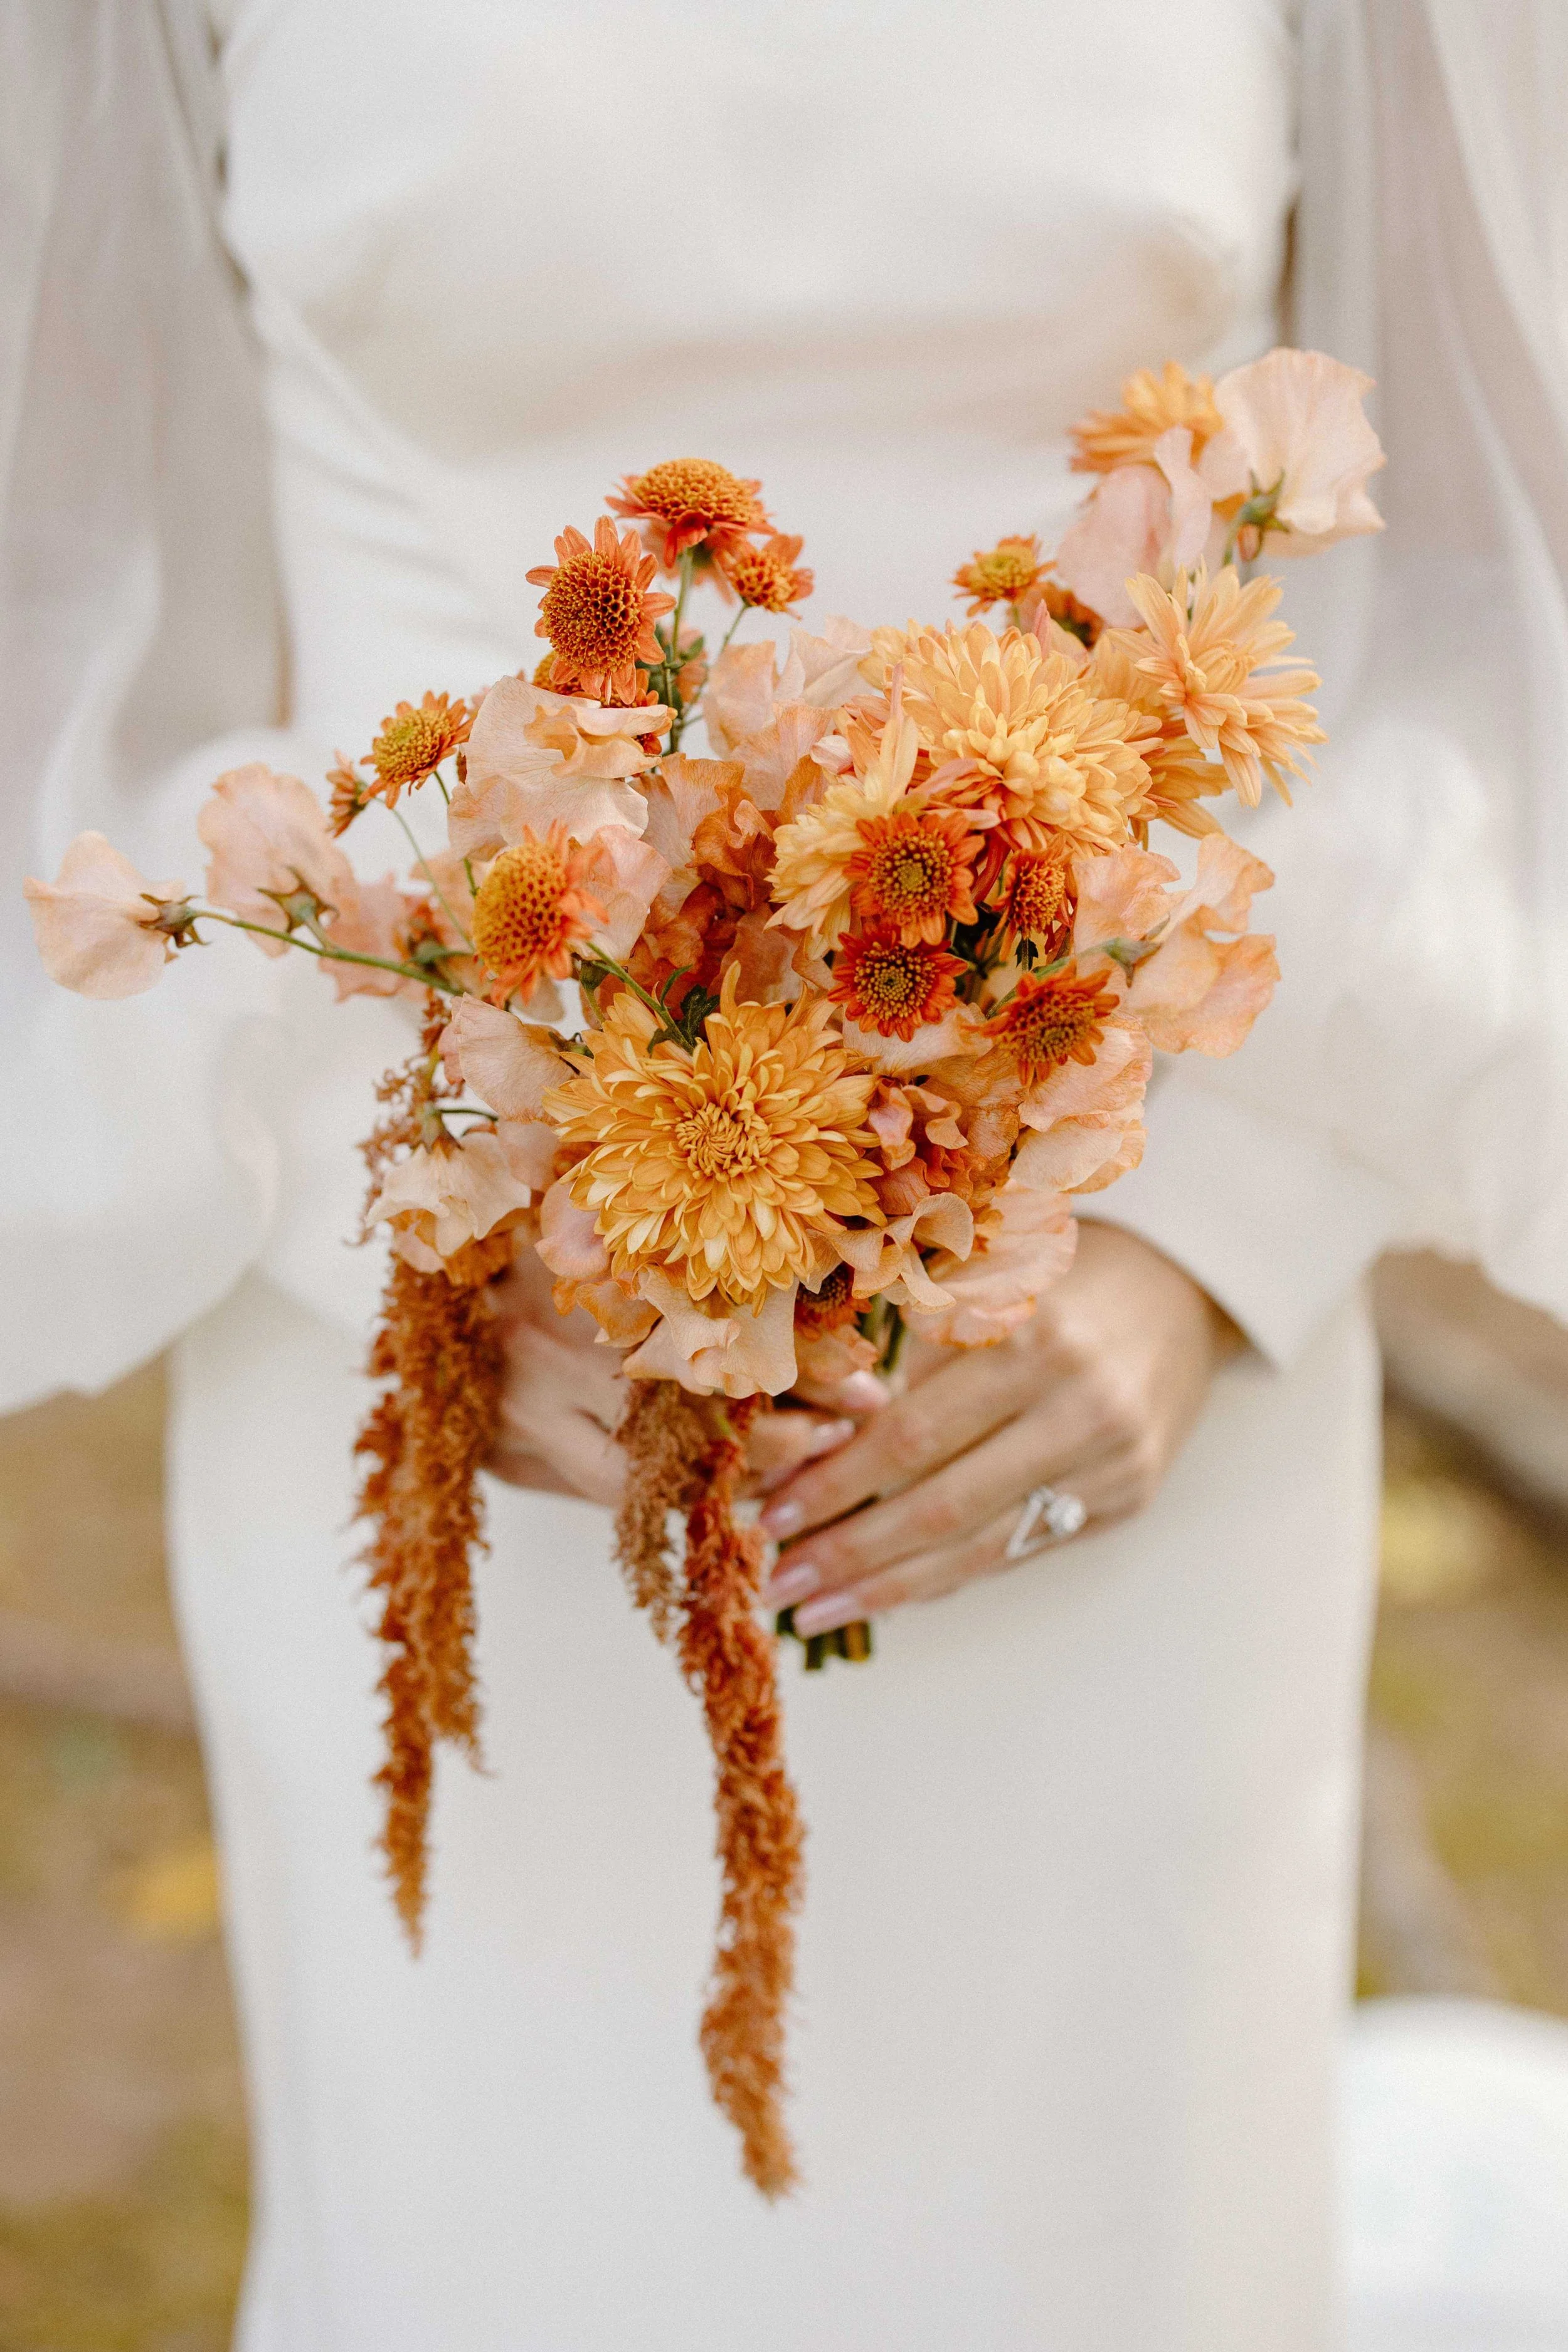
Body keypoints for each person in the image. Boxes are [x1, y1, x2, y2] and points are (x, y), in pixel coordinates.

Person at [3, 1, 1564, 2346]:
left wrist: (1215, 1226)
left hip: (1115, 1363)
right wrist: (418, 1193)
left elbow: (1488, 540)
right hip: (464, 1391)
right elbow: (65, 582)